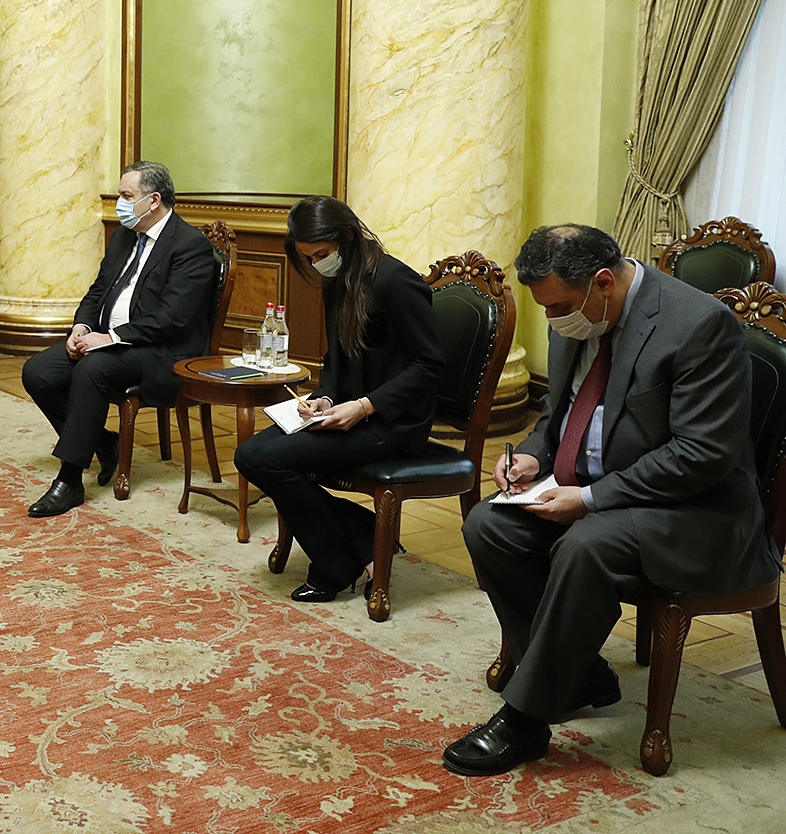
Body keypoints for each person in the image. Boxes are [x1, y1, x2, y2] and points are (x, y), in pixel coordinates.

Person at [442, 224, 779, 776]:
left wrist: (591, 498)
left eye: (559, 307)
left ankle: (526, 720)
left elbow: (701, 456)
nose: (553, 320)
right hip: (603, 491)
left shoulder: (699, 325)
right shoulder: (578, 315)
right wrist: (530, 457)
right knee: (489, 525)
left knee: (586, 544)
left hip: (697, 511)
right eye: (545, 308)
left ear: (602, 281)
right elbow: (557, 415)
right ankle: (581, 677)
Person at [233, 196, 445, 601]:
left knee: (268, 459)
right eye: (309, 258)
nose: (317, 264)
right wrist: (326, 398)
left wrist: (365, 406)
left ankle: (333, 565)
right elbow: (335, 357)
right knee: (250, 454)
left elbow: (431, 365)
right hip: (350, 411)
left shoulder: (396, 280)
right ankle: (365, 535)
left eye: (321, 254)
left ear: (347, 235)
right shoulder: (338, 280)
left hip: (393, 423)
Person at [20, 160, 217, 517]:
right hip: (109, 341)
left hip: (162, 352)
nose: (120, 204)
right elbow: (98, 290)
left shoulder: (191, 246)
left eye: (127, 196)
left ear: (153, 200)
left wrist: (110, 338)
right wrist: (81, 327)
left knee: (93, 369)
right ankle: (103, 442)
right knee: (38, 371)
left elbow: (171, 318)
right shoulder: (125, 236)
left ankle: (69, 480)